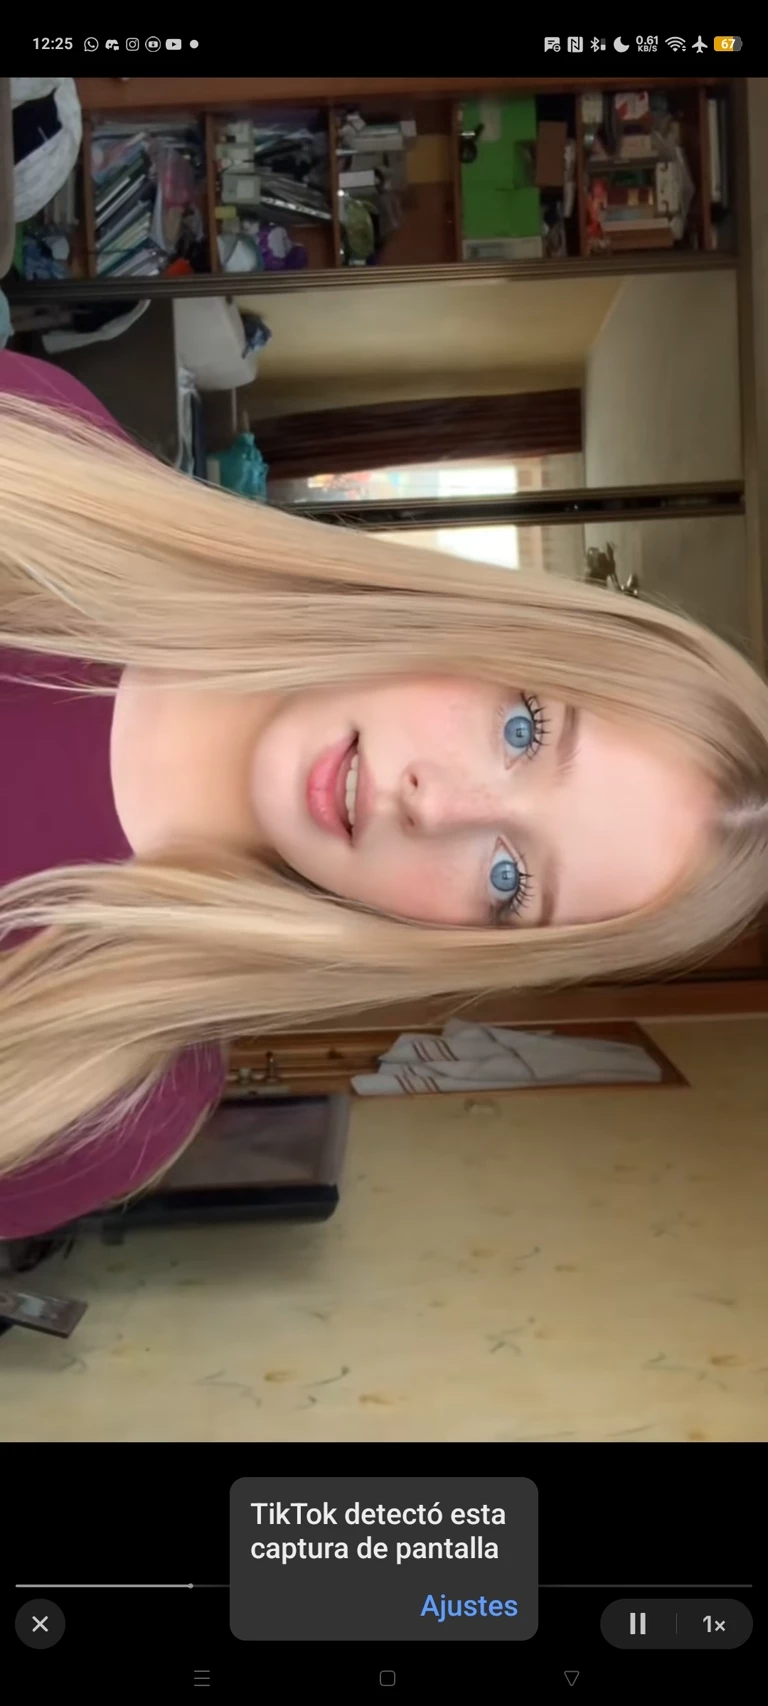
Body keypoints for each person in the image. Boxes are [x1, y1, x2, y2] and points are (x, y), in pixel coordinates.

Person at [1, 351, 767, 1237]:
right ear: (499, 628)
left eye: (509, 881)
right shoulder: (45, 453)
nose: (436, 809)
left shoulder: (105, 1109)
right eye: (523, 730)